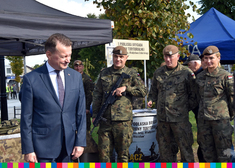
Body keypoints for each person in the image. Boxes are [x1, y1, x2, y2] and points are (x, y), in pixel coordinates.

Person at [20, 33, 86, 163]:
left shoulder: (76, 77)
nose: (68, 60)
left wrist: (81, 142)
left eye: (69, 55)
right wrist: (28, 149)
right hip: (42, 150)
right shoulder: (31, 79)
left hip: (70, 148)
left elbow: (81, 113)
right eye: (63, 56)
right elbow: (26, 118)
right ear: (49, 54)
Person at [92, 46, 146, 162]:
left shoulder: (131, 74)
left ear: (126, 58)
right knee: (103, 156)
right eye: (116, 56)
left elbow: (143, 91)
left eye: (121, 57)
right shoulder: (104, 73)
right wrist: (95, 114)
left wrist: (127, 89)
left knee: (123, 157)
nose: (118, 59)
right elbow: (97, 95)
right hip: (105, 120)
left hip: (123, 122)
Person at [147, 45, 196, 162]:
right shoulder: (158, 73)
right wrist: (151, 100)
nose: (168, 60)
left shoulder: (186, 73)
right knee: (165, 153)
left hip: (180, 121)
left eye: (171, 57)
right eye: (166, 57)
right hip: (163, 120)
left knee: (186, 152)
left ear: (178, 56)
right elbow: (153, 91)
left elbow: (194, 96)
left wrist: (183, 109)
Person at [195, 46, 234, 162]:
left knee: (224, 154)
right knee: (207, 154)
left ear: (218, 58)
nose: (208, 61)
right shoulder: (200, 77)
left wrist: (228, 116)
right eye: (206, 58)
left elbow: (232, 99)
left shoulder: (226, 76)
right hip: (204, 123)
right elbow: (197, 97)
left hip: (221, 122)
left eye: (211, 58)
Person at [183, 53, 206, 162]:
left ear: (196, 63)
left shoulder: (201, 75)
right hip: (200, 113)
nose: (188, 68)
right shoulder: (196, 75)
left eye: (189, 65)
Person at [73, 60, 94, 132]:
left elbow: (89, 94)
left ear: (83, 67)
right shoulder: (71, 77)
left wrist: (87, 107)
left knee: (85, 130)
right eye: (76, 66)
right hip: (73, 108)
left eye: (80, 66)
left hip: (83, 108)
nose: (78, 68)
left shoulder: (87, 79)